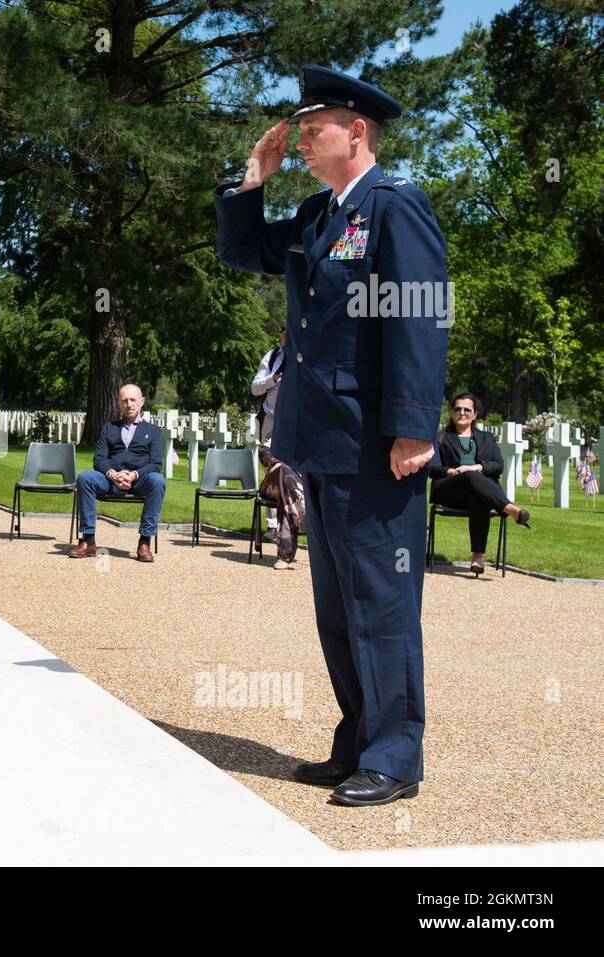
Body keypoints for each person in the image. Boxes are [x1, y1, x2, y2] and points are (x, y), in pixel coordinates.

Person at [215, 66, 450, 806]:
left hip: (377, 443)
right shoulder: (320, 216)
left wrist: (414, 427)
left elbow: (420, 316)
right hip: (320, 440)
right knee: (339, 605)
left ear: (357, 132)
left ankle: (395, 754)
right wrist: (253, 178)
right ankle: (357, 741)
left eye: (313, 130)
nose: (303, 142)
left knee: (382, 601)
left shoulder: (395, 208)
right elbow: (244, 251)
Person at [427, 392, 531, 576]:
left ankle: (477, 559)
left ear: (475, 414)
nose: (462, 412)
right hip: (449, 490)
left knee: (479, 494)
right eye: (457, 409)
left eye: (467, 409)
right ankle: (509, 509)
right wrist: (451, 471)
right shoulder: (440, 438)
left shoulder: (486, 438)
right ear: (451, 413)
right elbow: (431, 469)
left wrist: (478, 467)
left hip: (479, 492)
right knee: (469, 476)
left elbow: (498, 466)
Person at [70, 384, 166, 563]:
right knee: (85, 477)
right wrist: (114, 475)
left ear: (142, 402)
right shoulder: (109, 428)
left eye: (133, 400)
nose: (129, 404)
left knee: (158, 481)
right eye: (124, 400)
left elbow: (156, 464)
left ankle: (144, 542)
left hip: (139, 481)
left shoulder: (154, 432)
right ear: (118, 403)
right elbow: (99, 459)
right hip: (110, 480)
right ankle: (88, 540)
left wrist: (133, 475)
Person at [252, 329, 286, 539]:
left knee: (293, 472)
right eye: (283, 333)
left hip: (297, 420)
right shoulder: (272, 356)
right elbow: (255, 388)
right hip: (271, 420)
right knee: (270, 468)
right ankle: (272, 525)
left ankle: (292, 520)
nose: (286, 336)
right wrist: (272, 379)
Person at [258, 446, 305, 570]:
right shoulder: (273, 434)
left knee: (286, 502)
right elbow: (264, 456)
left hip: (295, 486)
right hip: (271, 484)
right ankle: (302, 514)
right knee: (283, 470)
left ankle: (284, 556)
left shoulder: (302, 434)